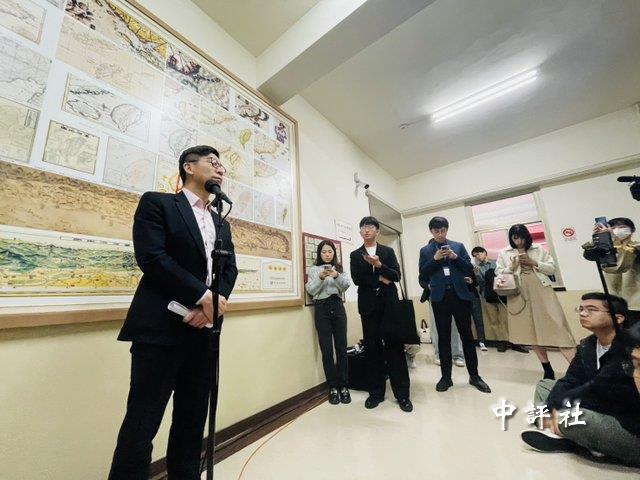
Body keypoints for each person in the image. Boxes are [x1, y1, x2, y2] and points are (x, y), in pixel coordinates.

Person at [108, 145, 238, 480]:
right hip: (160, 330)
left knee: (191, 422)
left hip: (204, 333)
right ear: (188, 167)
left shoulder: (221, 221)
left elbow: (229, 270)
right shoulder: (158, 203)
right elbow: (153, 258)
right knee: (142, 423)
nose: (220, 169)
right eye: (212, 162)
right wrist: (202, 296)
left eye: (222, 165)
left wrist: (213, 305)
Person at [521, 293, 640, 467]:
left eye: (592, 310)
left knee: (571, 416)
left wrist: (558, 408)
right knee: (544, 386)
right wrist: (551, 406)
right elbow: (569, 380)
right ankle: (570, 437)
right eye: (581, 309)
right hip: (593, 403)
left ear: (618, 318)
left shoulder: (629, 347)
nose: (583, 314)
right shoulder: (588, 345)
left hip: (624, 421)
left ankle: (566, 434)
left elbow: (599, 389)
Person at [418, 216, 491, 393]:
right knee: (443, 338)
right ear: (431, 231)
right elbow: (422, 274)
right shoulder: (425, 251)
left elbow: (469, 269)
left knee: (467, 336)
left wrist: (455, 257)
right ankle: (446, 378)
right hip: (439, 298)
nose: (440, 234)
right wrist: (435, 259)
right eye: (436, 231)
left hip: (460, 296)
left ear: (447, 229)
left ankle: (474, 376)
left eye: (443, 230)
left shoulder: (458, 246)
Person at [496, 224, 576, 379]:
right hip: (518, 292)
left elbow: (552, 268)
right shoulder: (505, 253)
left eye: (522, 237)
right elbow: (499, 274)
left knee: (558, 327)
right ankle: (547, 369)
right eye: (515, 238)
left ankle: (577, 370)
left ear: (527, 236)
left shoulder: (537, 249)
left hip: (541, 289)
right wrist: (512, 267)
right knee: (531, 331)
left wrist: (534, 262)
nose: (519, 241)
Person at [350, 216, 412, 412]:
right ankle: (376, 393)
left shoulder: (387, 251)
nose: (366, 230)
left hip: (389, 306)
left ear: (377, 231)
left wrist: (379, 266)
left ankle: (403, 395)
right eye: (363, 227)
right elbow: (357, 279)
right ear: (360, 232)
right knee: (372, 350)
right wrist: (380, 277)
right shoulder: (355, 254)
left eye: (370, 227)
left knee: (395, 348)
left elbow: (396, 275)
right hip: (368, 307)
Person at [305, 240, 351, 405]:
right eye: (324, 252)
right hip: (321, 308)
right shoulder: (313, 270)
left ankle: (344, 386)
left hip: (337, 307)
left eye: (330, 251)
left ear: (334, 253)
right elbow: (311, 290)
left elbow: (345, 286)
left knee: (341, 348)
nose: (327, 254)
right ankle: (333, 387)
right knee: (327, 350)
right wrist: (320, 277)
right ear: (319, 254)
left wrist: (336, 275)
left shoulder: (339, 269)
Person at [471, 246, 528, 354]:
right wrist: (477, 274)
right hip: (487, 296)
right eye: (475, 256)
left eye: (478, 254)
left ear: (484, 252)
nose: (477, 257)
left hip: (501, 294)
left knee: (505, 319)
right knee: (494, 321)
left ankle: (513, 341)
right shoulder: (478, 268)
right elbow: (481, 284)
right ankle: (501, 341)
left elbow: (505, 275)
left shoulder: (496, 263)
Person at [583, 217, 640, 324]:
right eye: (613, 228)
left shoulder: (636, 246)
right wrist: (597, 238)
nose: (617, 230)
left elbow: (621, 267)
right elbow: (588, 255)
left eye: (622, 227)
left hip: (635, 303)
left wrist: (615, 239)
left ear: (632, 230)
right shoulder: (606, 248)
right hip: (613, 300)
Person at [464, 274, 487, 351]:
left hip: (473, 295)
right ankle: (468, 342)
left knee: (478, 319)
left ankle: (481, 342)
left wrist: (472, 281)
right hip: (461, 297)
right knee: (465, 322)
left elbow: (478, 282)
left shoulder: (471, 268)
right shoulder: (455, 269)